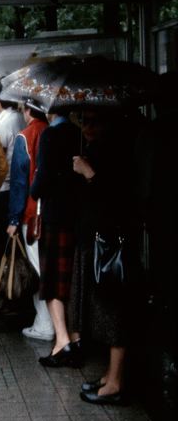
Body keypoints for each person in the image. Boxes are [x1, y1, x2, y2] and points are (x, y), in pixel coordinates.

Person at [70, 109, 139, 404]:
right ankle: (111, 376)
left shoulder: (119, 152)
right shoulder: (99, 150)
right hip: (98, 239)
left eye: (93, 121)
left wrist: (90, 174)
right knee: (104, 309)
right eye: (83, 120)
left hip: (111, 243)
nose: (86, 127)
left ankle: (116, 382)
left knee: (113, 311)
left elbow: (117, 199)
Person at [30, 107, 83, 367]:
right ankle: (76, 337)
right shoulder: (79, 133)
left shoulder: (50, 135)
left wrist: (34, 189)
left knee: (52, 280)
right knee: (71, 279)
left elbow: (43, 179)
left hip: (54, 215)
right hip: (77, 214)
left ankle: (62, 342)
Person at [6, 99, 53, 341]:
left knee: (37, 269)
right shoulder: (53, 132)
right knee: (52, 268)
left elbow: (19, 182)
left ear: (27, 111)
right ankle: (58, 322)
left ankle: (45, 323)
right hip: (55, 212)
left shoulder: (25, 137)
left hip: (32, 214)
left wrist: (14, 218)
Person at [0, 78, 26, 249]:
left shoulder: (4, 124)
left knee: (7, 240)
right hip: (21, 184)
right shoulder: (21, 117)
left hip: (5, 188)